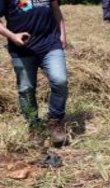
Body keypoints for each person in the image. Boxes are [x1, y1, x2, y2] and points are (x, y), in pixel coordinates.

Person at [0, 0, 68, 147]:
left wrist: (62, 34)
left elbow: (55, 9)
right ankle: (34, 125)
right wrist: (12, 36)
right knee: (26, 89)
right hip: (21, 50)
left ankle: (55, 121)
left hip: (50, 44)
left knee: (60, 80)